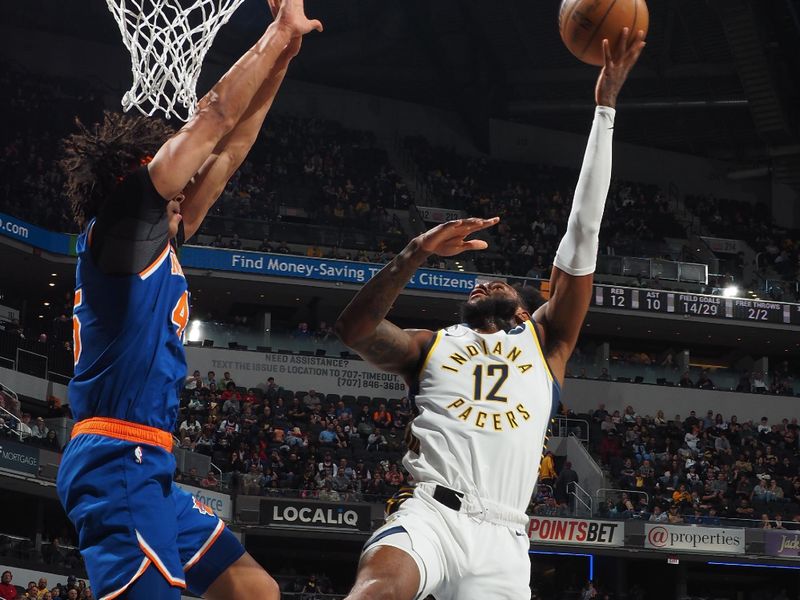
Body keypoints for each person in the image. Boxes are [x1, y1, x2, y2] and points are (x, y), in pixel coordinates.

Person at [336, 29, 645, 600]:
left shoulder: (547, 342)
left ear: (528, 307)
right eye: (479, 282)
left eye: (502, 282)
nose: (487, 280)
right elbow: (353, 330)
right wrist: (417, 252)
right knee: (377, 588)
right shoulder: (432, 345)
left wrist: (605, 109)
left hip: (504, 540)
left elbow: (585, 232)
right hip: (432, 517)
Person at [54, 2, 322, 599]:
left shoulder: (160, 237)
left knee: (256, 591)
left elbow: (230, 150)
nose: (192, 183)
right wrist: (274, 30)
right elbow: (215, 116)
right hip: (116, 457)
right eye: (180, 173)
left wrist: (282, 59)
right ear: (143, 173)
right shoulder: (125, 224)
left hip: (149, 462)